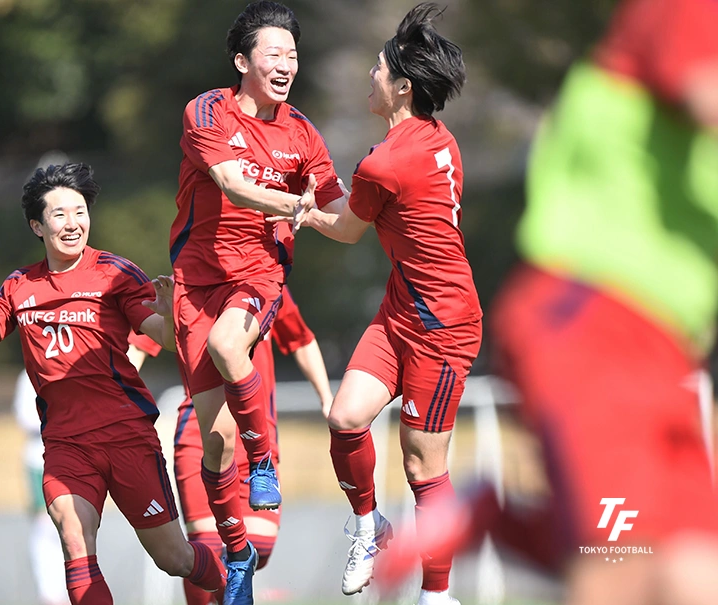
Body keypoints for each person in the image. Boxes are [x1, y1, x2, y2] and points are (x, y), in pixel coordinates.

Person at [374, 2, 718, 604]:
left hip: (664, 345)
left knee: (694, 577)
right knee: (618, 563)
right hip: (594, 317)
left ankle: (509, 522)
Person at [0, 162, 226, 605]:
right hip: (65, 445)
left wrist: (173, 311)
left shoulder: (114, 272)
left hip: (127, 436)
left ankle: (235, 582)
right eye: (59, 215)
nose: (73, 224)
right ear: (37, 226)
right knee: (74, 540)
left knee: (173, 559)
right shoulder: (19, 286)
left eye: (80, 211)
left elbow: (167, 340)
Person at [280, 4, 478, 603]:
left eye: (378, 66)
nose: (370, 73)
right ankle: (368, 527)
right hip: (401, 311)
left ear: (402, 87)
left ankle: (437, 595)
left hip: (442, 326)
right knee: (344, 418)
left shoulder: (386, 160)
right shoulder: (436, 138)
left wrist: (298, 210)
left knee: (423, 467)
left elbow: (345, 228)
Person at [170, 2, 345, 599]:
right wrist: (292, 205)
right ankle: (236, 553)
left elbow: (338, 207)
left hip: (259, 274)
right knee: (213, 447)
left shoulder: (303, 133)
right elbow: (230, 183)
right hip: (196, 284)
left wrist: (381, 204)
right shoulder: (207, 111)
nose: (286, 64)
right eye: (274, 53)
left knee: (228, 345)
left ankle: (264, 460)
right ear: (242, 60)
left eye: (293, 55)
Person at [129, 284, 334, 605]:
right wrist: (115, 399)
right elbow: (140, 346)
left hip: (257, 444)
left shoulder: (266, 282)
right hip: (202, 436)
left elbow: (300, 338)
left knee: (258, 549)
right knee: (209, 548)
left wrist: (327, 399)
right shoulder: (188, 286)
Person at [12, 369, 69, 605]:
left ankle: (69, 589)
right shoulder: (28, 375)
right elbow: (24, 416)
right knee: (44, 525)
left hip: (69, 457)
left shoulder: (67, 368)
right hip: (39, 459)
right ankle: (49, 592)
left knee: (71, 523)